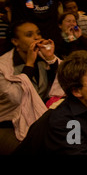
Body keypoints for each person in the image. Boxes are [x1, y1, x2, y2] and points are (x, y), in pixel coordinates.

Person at [0, 20, 63, 154]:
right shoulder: (3, 66)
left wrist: (51, 59)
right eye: (29, 35)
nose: (37, 38)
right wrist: (29, 65)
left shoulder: (42, 57)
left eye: (38, 33)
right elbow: (16, 98)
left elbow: (66, 79)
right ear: (15, 41)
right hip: (8, 122)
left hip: (39, 119)